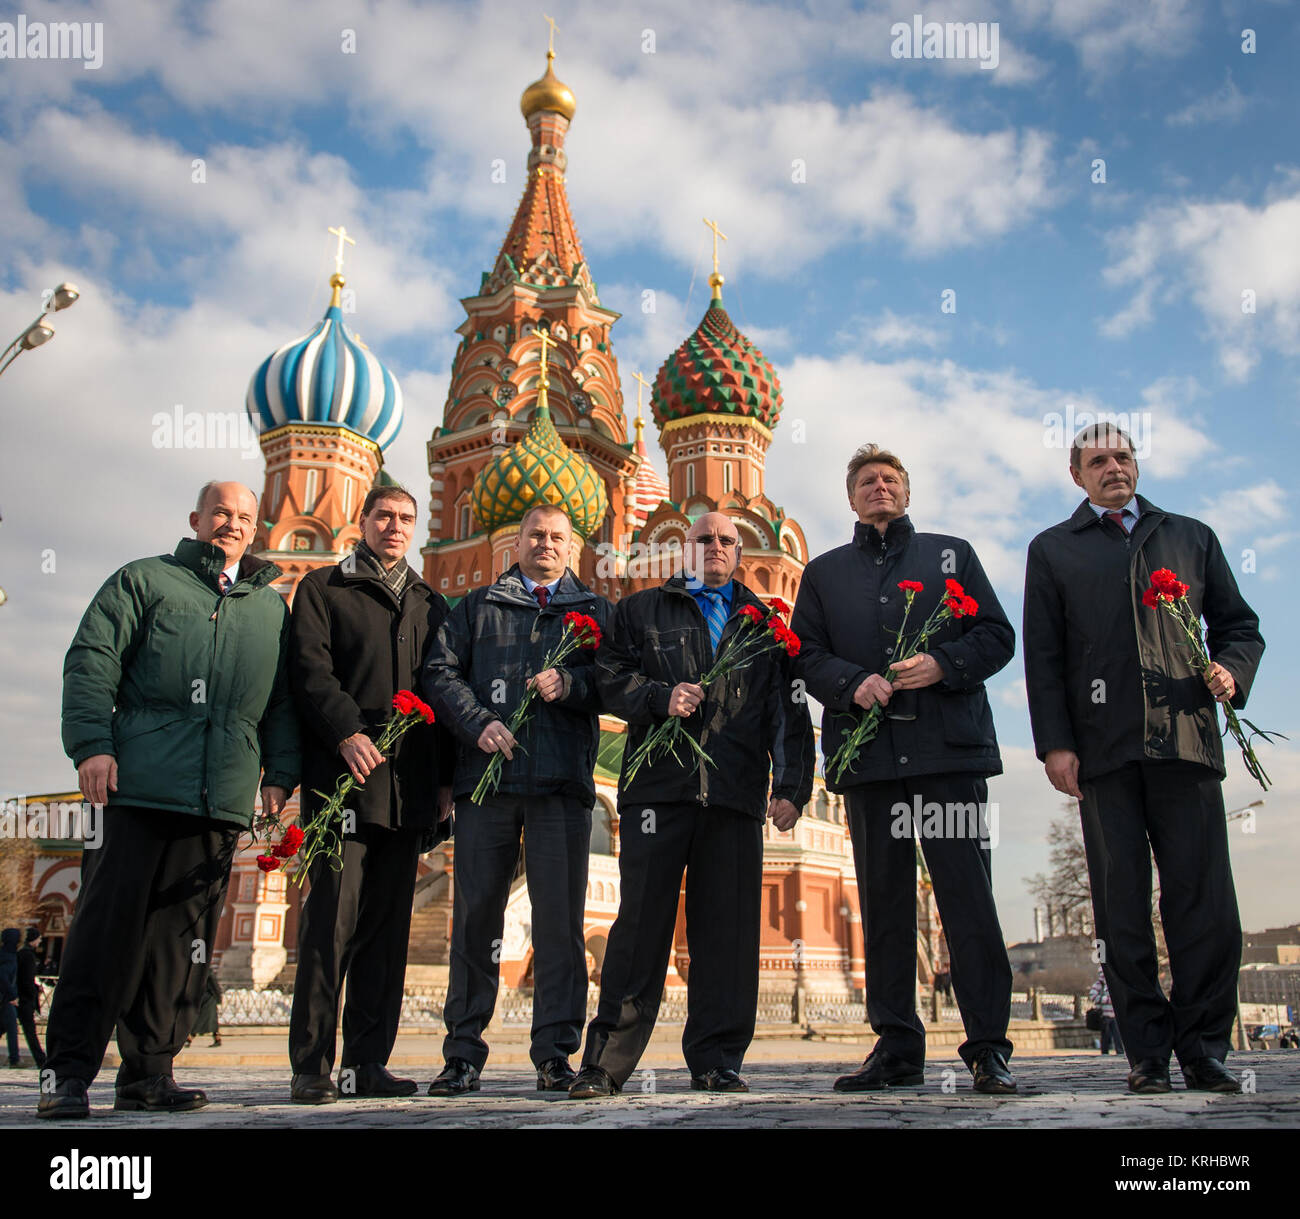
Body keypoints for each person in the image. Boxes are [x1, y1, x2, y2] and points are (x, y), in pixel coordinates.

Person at [39, 481, 299, 1119]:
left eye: (243, 517)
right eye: (220, 514)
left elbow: (282, 703)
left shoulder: (269, 609)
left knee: (180, 943)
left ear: (255, 527)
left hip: (219, 799)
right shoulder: (144, 581)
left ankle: (149, 1072)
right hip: (139, 786)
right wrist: (93, 745)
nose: (231, 525)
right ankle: (68, 1076)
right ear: (196, 518)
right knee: (106, 932)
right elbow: (92, 659)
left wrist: (279, 775)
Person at [1023, 424, 1264, 1095]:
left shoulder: (1190, 536)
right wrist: (1057, 743)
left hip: (1185, 741)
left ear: (1137, 465)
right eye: (1098, 460)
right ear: (1078, 475)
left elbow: (1239, 625)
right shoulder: (1053, 550)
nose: (1113, 467)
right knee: (1121, 908)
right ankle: (1146, 1053)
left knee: (1205, 904)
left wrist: (1230, 671)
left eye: (1123, 456)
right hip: (1104, 753)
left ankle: (1206, 1047)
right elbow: (1044, 657)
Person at [791, 444, 1018, 1095]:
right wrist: (852, 681)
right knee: (885, 907)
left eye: (889, 478)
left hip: (950, 755)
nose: (878, 486)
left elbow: (997, 635)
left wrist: (943, 664)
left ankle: (987, 1049)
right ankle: (896, 1047)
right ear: (851, 496)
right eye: (866, 479)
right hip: (871, 764)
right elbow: (804, 653)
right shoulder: (825, 572)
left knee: (967, 902)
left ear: (906, 492)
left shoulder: (953, 555)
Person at [569, 511, 814, 1098]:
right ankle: (605, 1064)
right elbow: (608, 677)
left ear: (739, 548)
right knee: (639, 930)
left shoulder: (763, 624)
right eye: (704, 538)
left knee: (726, 932)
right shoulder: (643, 610)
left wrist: (792, 786)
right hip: (658, 790)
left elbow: (788, 707)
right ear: (685, 546)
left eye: (727, 540)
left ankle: (718, 1059)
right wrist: (658, 695)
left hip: (734, 794)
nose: (716, 547)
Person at [422, 502, 610, 1096]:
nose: (546, 544)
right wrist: (477, 722)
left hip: (562, 787)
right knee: (476, 921)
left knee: (561, 925)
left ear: (572, 548)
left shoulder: (596, 613)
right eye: (537, 534)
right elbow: (437, 672)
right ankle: (463, 1055)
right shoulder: (478, 607)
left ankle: (555, 1055)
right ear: (517, 542)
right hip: (488, 785)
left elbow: (618, 680)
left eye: (558, 536)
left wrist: (573, 683)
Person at [288, 484, 455, 1104]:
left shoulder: (430, 602)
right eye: (384, 515)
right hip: (343, 786)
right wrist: (346, 733)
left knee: (387, 935)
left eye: (406, 519)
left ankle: (366, 1064)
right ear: (363, 521)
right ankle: (312, 1066)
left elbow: (440, 693)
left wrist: (442, 780)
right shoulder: (324, 589)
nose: (395, 526)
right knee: (329, 925)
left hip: (406, 792)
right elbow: (310, 673)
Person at [16, 928, 46, 1067]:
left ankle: (40, 1058)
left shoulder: (23, 953)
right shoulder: (27, 955)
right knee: (29, 1030)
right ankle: (41, 1059)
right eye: (39, 938)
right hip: (23, 998)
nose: (40, 941)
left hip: (20, 996)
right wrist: (32, 991)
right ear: (33, 939)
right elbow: (26, 979)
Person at [1089, 965, 1123, 1056]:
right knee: (1106, 1035)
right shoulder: (1098, 985)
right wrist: (1106, 999)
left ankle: (1120, 1052)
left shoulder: (1113, 984)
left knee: (1118, 1036)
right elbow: (1093, 997)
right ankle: (1104, 1052)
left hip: (1114, 1014)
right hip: (1104, 1015)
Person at [190, 971, 222, 1048]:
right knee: (206, 1020)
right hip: (203, 999)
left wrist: (218, 999)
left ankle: (190, 1038)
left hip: (209, 999)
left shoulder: (207, 972)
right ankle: (190, 1038)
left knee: (204, 1020)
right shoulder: (203, 972)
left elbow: (215, 986)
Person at [0, 929, 19, 1067]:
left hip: (3, 997)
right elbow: (3, 976)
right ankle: (14, 1059)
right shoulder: (9, 956)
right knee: (12, 1027)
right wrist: (12, 994)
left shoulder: (3, 953)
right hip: (5, 998)